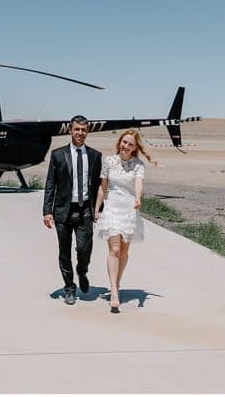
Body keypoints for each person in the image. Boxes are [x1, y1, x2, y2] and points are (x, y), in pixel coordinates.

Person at [93, 129, 157, 313]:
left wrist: (138, 198)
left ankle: (117, 283)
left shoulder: (138, 164)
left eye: (130, 144)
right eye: (124, 142)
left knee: (124, 251)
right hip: (112, 207)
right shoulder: (109, 162)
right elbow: (102, 187)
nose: (126, 146)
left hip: (129, 209)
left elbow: (139, 183)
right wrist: (97, 208)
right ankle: (114, 291)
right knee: (114, 248)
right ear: (119, 142)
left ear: (135, 147)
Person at [43, 115, 102, 305]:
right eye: (77, 129)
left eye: (83, 130)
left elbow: (98, 186)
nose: (80, 133)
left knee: (84, 248)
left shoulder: (95, 156)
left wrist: (99, 209)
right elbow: (51, 184)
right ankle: (69, 287)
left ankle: (82, 271)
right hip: (63, 210)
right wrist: (47, 210)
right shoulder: (58, 154)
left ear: (87, 132)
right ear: (70, 130)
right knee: (64, 251)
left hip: (85, 209)